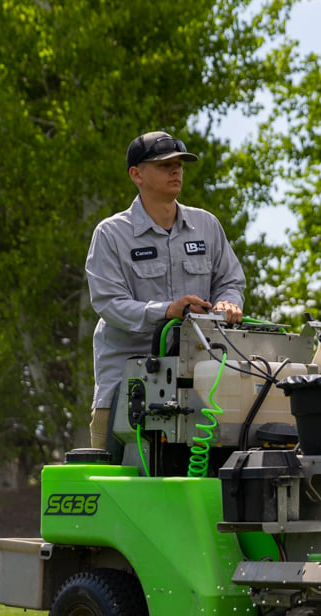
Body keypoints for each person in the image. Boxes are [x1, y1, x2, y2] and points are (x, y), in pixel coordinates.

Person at [85, 131, 246, 449]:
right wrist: (166, 311)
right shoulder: (112, 234)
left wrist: (228, 303)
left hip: (200, 380)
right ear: (136, 174)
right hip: (127, 384)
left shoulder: (206, 225)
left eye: (179, 164)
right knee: (115, 479)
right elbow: (109, 303)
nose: (175, 171)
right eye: (164, 165)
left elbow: (230, 280)